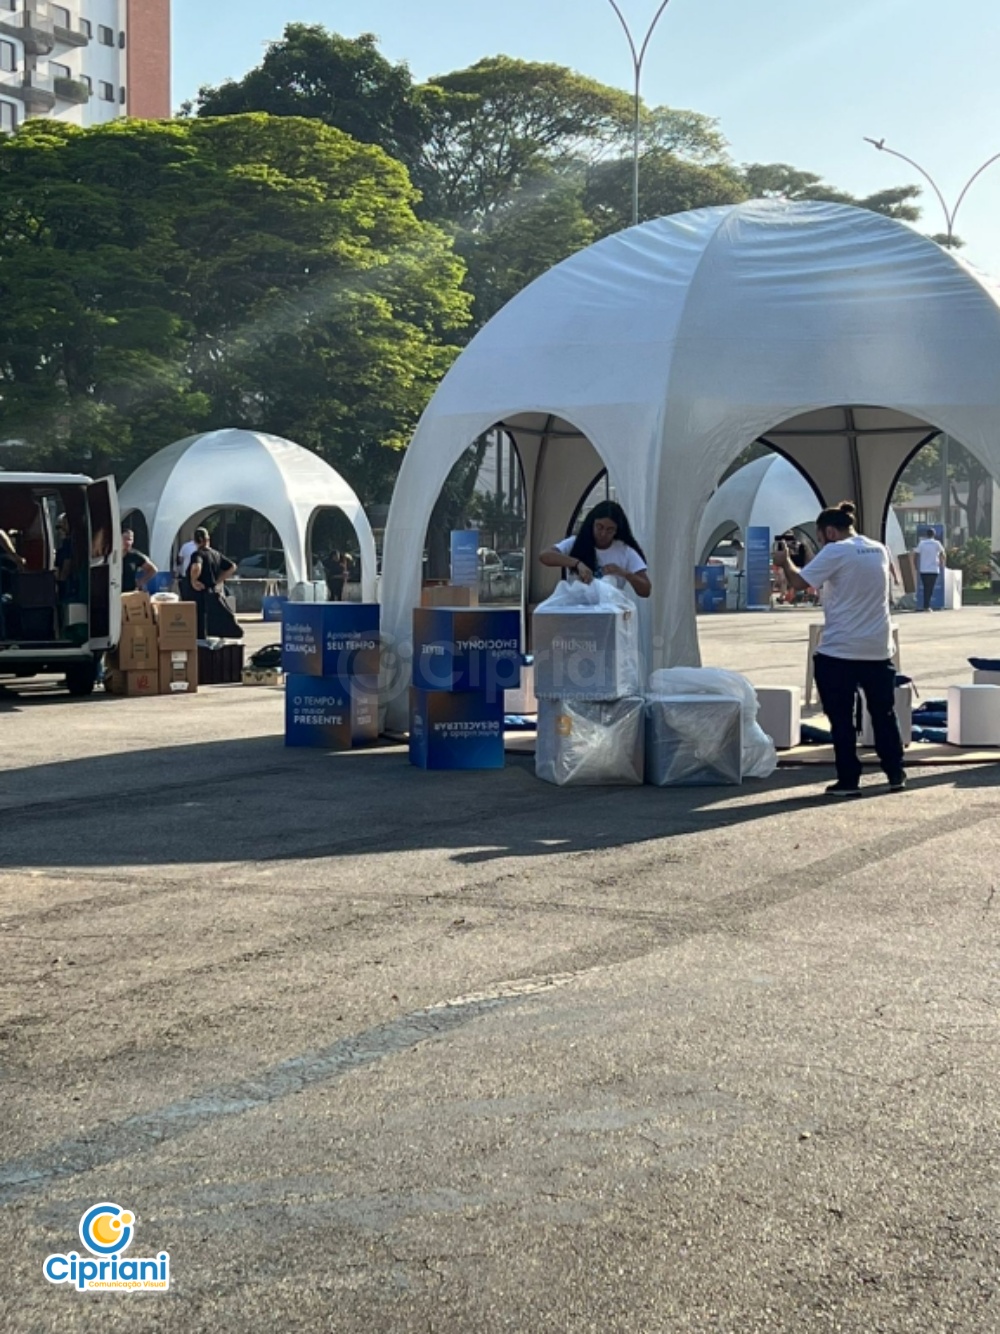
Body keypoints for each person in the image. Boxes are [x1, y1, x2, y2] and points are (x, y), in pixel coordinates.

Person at [775, 501, 905, 797]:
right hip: (878, 648)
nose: (820, 544)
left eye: (819, 538)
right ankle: (895, 772)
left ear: (830, 532)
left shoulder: (836, 550)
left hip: (840, 650)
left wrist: (784, 561)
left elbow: (799, 581)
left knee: (841, 719)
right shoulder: (878, 548)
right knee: (884, 713)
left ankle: (849, 780)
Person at [539, 500, 651, 598]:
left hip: (609, 613)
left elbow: (646, 590)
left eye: (610, 530)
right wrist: (577, 563)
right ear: (592, 524)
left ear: (617, 531)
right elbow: (545, 556)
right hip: (577, 609)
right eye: (599, 527)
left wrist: (624, 573)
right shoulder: (576, 542)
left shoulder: (625, 550)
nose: (603, 533)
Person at [184, 528, 237, 638]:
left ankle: (200, 645)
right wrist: (219, 580)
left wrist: (194, 581)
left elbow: (196, 567)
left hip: (198, 594)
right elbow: (232, 567)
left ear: (195, 541)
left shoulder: (198, 554)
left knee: (199, 623)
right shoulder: (216, 554)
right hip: (213, 593)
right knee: (211, 623)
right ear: (208, 539)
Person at [915, 527, 946, 611]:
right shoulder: (937, 543)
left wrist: (916, 565)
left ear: (926, 535)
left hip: (923, 569)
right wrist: (942, 563)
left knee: (925, 587)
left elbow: (916, 554)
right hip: (933, 569)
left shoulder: (922, 543)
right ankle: (927, 605)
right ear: (934, 535)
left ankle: (926, 605)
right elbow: (943, 553)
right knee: (930, 587)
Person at [121, 529, 157, 594]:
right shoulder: (111, 555)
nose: (128, 542)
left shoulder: (135, 556)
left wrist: (141, 581)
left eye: (130, 539)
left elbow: (153, 569)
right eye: (125, 538)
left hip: (129, 593)